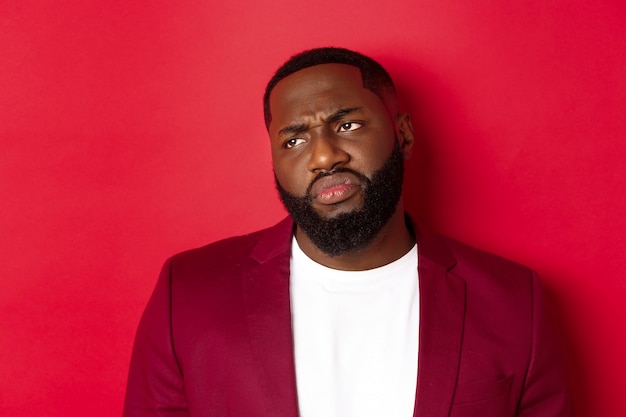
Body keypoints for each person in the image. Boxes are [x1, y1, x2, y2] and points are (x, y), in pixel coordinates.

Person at [123, 47, 573, 417]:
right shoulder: (186, 295)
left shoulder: (515, 302)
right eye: (294, 139)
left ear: (404, 135)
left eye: (347, 125)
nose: (324, 156)